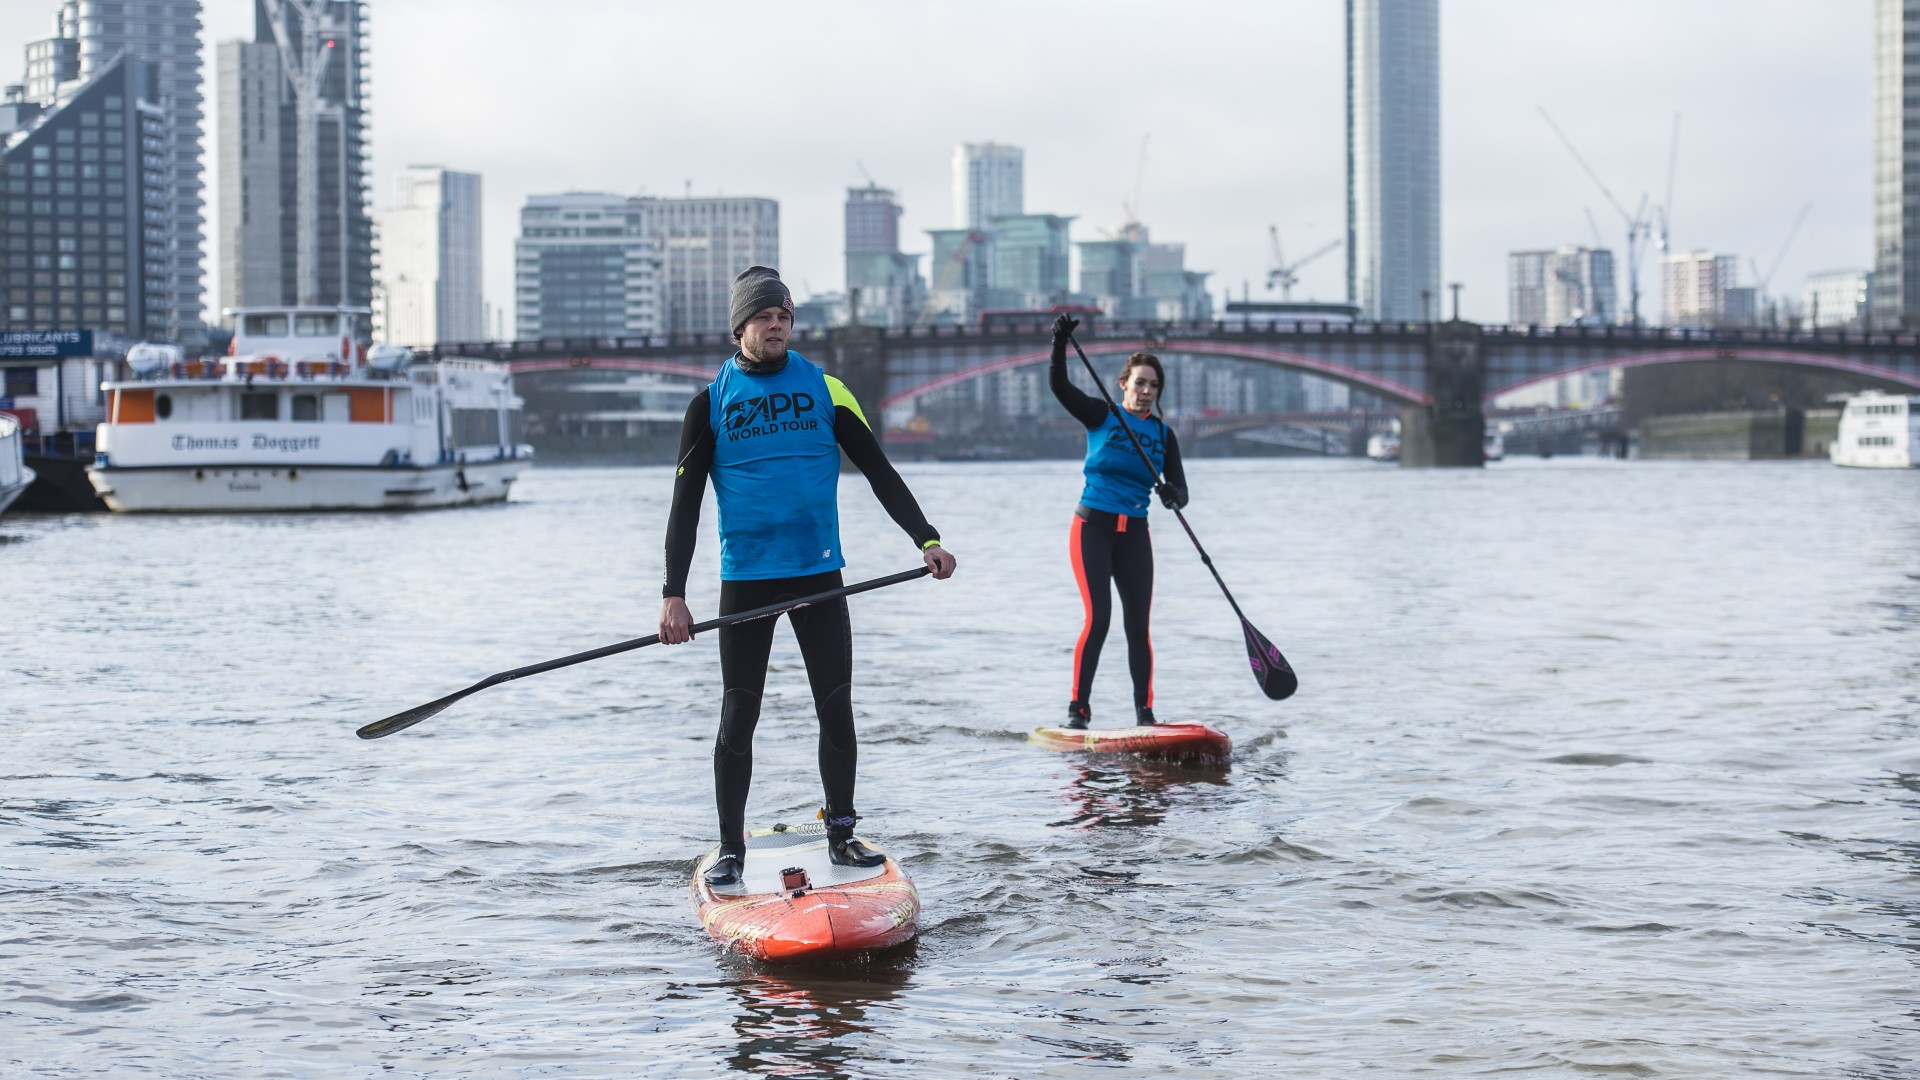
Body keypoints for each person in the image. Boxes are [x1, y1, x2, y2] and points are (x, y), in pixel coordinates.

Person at [661, 265, 957, 889]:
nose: (777, 326)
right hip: (748, 578)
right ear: (741, 326)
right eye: (765, 317)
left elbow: (879, 470)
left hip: (820, 573)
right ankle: (730, 849)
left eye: (785, 317)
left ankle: (842, 835)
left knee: (836, 709)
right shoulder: (708, 405)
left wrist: (925, 538)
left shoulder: (828, 389)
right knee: (739, 715)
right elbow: (684, 506)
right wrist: (673, 595)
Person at [1048, 313, 1187, 730]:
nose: (1146, 391)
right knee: (1099, 618)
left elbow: (1180, 490)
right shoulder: (1100, 415)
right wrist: (1059, 343)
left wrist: (1171, 495)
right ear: (1123, 383)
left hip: (1135, 536)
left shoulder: (1163, 436)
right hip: (1093, 528)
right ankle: (1079, 711)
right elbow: (1059, 386)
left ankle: (1145, 715)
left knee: (1138, 625)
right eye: (1140, 382)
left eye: (1154, 385)